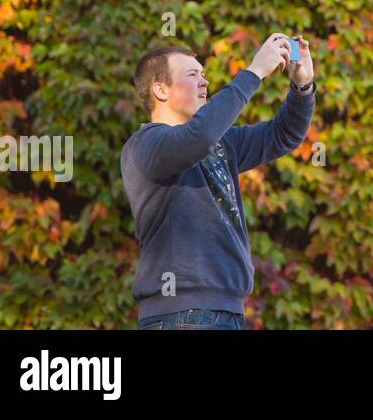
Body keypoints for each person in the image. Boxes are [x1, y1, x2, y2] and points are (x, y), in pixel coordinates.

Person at [122, 33, 316, 329]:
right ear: (160, 89)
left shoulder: (222, 143)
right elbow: (197, 138)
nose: (205, 82)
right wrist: (253, 73)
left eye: (204, 74)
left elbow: (283, 135)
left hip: (226, 312)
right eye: (192, 75)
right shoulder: (145, 146)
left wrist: (302, 86)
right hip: (183, 315)